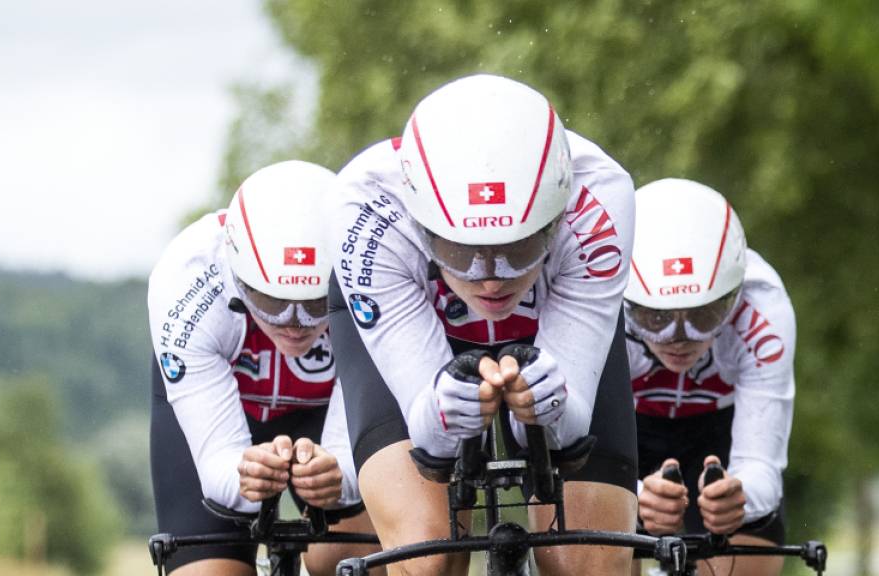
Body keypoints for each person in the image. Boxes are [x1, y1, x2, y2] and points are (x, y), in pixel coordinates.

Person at [326, 73, 638, 575]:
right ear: (421, 226)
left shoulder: (601, 194)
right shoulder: (364, 206)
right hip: (416, 319)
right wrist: (443, 410)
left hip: (550, 324)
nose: (491, 282)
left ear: (557, 218)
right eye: (460, 252)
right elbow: (428, 434)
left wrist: (551, 402)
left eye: (518, 249)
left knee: (588, 562)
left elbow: (572, 421)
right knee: (426, 554)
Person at [147, 160, 379, 576]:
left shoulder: (367, 263)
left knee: (354, 565)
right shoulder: (188, 276)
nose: (294, 324)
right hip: (220, 413)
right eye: (273, 303)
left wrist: (340, 476)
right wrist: (242, 475)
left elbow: (352, 468)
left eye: (314, 305)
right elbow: (219, 466)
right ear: (240, 277)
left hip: (328, 412)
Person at [625, 178, 795, 576]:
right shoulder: (601, 293)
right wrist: (630, 497)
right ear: (626, 299)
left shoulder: (763, 309)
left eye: (703, 316)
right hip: (625, 430)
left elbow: (761, 466)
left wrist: (741, 497)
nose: (679, 340)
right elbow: (568, 442)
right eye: (656, 318)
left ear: (734, 296)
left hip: (720, 436)